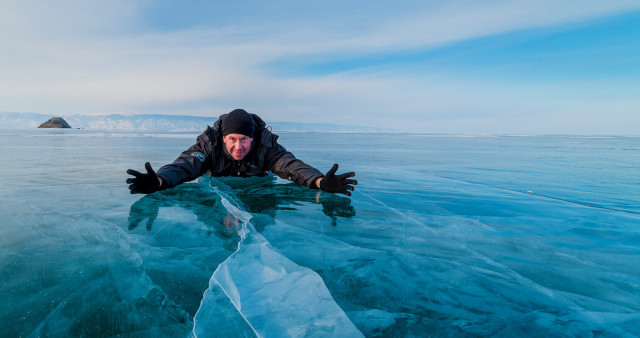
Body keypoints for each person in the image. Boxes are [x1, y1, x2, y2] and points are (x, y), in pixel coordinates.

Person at [126, 109, 357, 196]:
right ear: (223, 138)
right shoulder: (209, 146)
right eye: (233, 139)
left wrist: (318, 181)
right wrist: (159, 180)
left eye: (244, 139)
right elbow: (186, 165)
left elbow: (290, 166)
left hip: (258, 193)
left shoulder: (265, 147)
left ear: (252, 138)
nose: (239, 146)